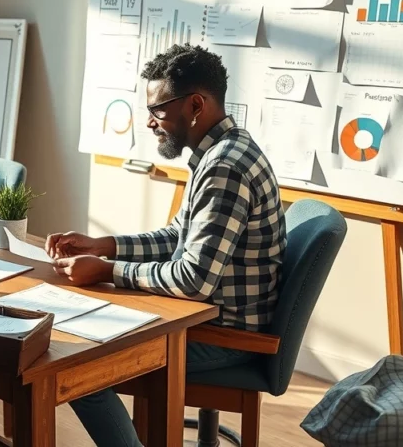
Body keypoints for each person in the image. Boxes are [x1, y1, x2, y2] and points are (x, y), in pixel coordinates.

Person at [45, 44, 286, 447]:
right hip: (205, 317)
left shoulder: (224, 167)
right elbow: (178, 236)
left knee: (74, 367)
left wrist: (106, 272)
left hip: (223, 334)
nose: (151, 122)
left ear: (195, 105)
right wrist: (103, 246)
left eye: (158, 110)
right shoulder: (222, 150)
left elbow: (193, 280)